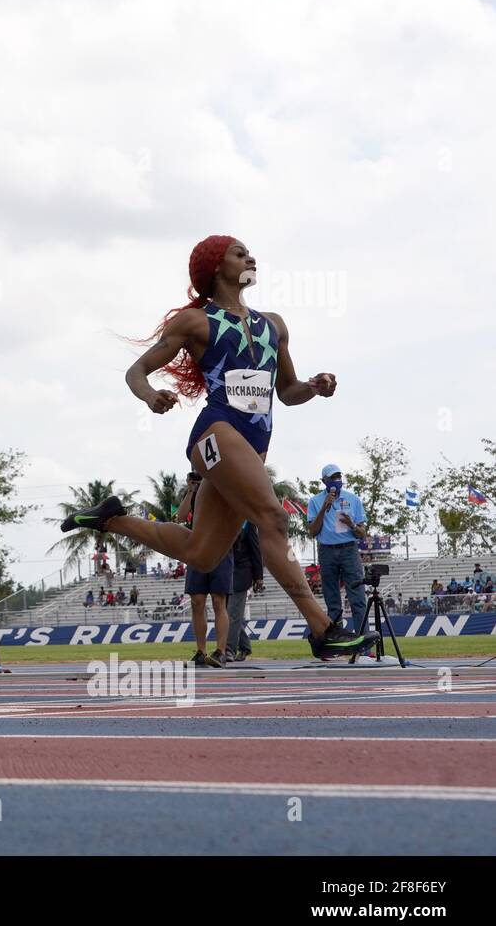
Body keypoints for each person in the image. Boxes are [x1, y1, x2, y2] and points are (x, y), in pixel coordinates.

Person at [60, 235, 376, 659]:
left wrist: (314, 388)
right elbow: (137, 371)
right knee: (274, 519)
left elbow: (287, 392)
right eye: (239, 252)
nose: (251, 257)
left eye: (250, 252)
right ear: (215, 266)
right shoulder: (196, 323)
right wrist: (150, 395)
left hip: (253, 445)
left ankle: (110, 519)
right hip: (215, 433)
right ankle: (324, 630)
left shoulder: (274, 325)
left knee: (202, 553)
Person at [177, 471, 233, 667]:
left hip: (220, 548)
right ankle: (201, 651)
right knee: (197, 601)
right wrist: (191, 490)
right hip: (197, 547)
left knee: (219, 601)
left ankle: (221, 651)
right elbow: (181, 517)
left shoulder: (223, 486)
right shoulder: (194, 494)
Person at [306, 465, 368, 634]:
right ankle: (337, 643)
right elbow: (312, 531)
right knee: (332, 601)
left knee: (357, 599)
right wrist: (323, 508)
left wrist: (352, 524)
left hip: (349, 550)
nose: (336, 480)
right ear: (324, 481)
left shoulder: (353, 499)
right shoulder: (315, 501)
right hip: (327, 551)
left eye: (339, 476)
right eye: (332, 478)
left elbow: (362, 533)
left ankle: (363, 644)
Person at [225, 522, 263, 662]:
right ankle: (245, 646)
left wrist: (258, 576)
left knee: (232, 615)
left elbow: (255, 549)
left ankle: (228, 649)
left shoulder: (248, 523)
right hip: (224, 572)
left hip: (241, 573)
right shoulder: (222, 519)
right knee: (229, 614)